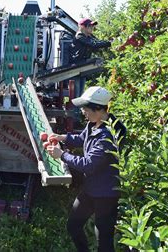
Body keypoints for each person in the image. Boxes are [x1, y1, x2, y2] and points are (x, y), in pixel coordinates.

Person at [46, 86, 126, 252]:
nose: (83, 111)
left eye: (86, 108)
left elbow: (88, 164)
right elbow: (83, 138)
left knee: (103, 239)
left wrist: (62, 155)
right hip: (90, 189)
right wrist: (63, 137)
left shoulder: (108, 136)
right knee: (73, 226)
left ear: (98, 109)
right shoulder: (94, 124)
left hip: (106, 194)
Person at [69, 18, 111, 97]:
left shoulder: (88, 37)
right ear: (82, 27)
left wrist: (108, 42)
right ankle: (74, 109)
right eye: (90, 26)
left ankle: (77, 109)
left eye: (92, 26)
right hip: (76, 68)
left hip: (82, 67)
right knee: (76, 94)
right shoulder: (79, 36)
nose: (92, 28)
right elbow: (93, 44)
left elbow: (97, 42)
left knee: (80, 94)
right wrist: (109, 43)